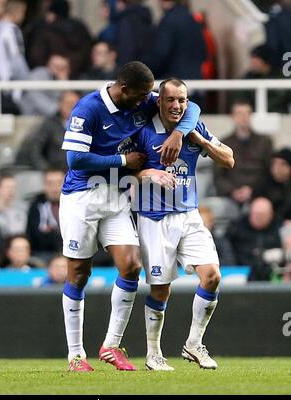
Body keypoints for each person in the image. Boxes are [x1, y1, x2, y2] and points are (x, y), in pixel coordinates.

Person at [59, 61, 201, 372]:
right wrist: (125, 159)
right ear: (123, 90)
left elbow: (193, 108)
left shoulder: (141, 98)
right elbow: (76, 159)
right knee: (79, 274)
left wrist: (178, 134)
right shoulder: (89, 109)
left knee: (131, 266)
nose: (145, 102)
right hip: (82, 198)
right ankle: (76, 355)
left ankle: (110, 346)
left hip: (118, 194)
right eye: (140, 97)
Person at [134, 78, 234, 370]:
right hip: (153, 219)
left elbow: (229, 159)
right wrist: (150, 173)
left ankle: (193, 344)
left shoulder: (194, 128)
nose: (177, 105)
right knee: (160, 289)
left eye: (182, 100)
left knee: (212, 276)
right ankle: (153, 353)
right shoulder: (142, 129)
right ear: (159, 102)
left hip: (189, 215)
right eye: (171, 100)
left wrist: (200, 142)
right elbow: (125, 168)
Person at [213, 100, 273, 208]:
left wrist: (253, 190)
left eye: (247, 113)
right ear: (233, 117)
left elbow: (269, 171)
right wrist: (233, 191)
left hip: (258, 193)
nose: (243, 117)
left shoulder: (264, 142)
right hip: (231, 194)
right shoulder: (223, 144)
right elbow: (218, 175)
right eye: (239, 113)